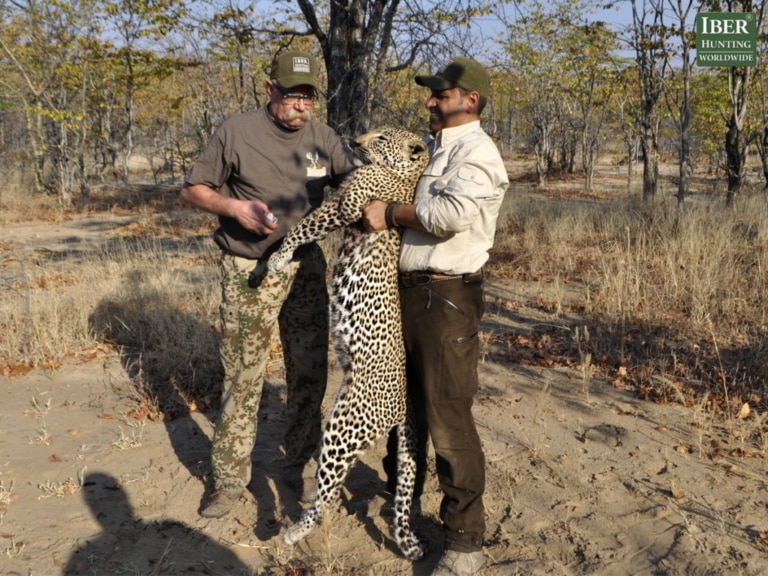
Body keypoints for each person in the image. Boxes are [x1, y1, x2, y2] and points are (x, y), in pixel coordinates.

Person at [180, 50, 356, 518]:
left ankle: (296, 463)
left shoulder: (324, 137)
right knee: (244, 373)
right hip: (247, 269)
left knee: (309, 371)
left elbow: (353, 180)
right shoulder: (235, 132)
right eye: (292, 95)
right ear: (270, 90)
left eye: (309, 98)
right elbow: (193, 188)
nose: (301, 106)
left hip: (305, 267)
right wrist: (234, 208)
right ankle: (229, 481)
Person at [363, 57, 509, 576]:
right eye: (430, 93)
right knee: (404, 410)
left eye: (440, 94)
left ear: (469, 100)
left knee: (448, 418)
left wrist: (390, 213)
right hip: (408, 292)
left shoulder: (478, 153)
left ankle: (465, 542)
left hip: (445, 301)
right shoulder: (438, 150)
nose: (429, 100)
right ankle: (402, 501)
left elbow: (448, 218)